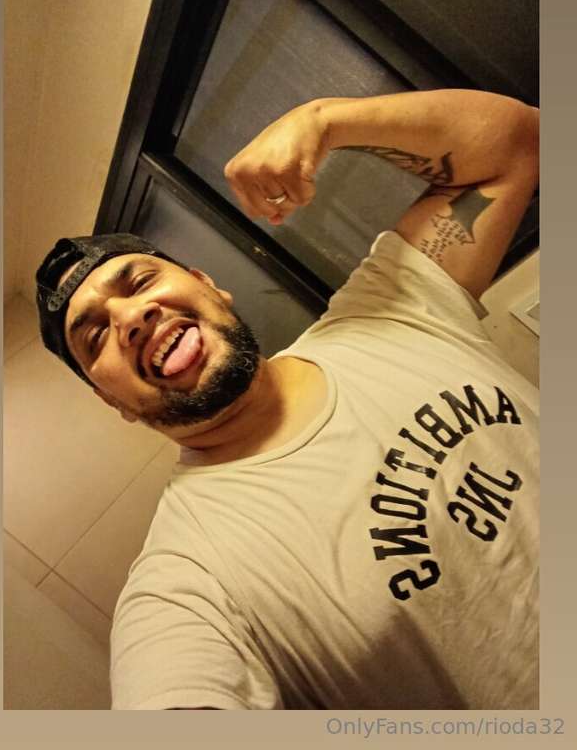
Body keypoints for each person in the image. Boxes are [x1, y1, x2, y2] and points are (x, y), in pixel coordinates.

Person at [36, 89, 539, 710]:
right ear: (113, 400)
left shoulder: (394, 308)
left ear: (207, 285)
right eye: (94, 337)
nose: (131, 317)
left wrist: (324, 120)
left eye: (139, 281)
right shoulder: (189, 581)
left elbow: (516, 145)